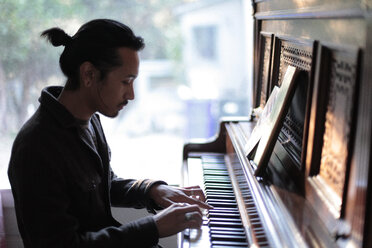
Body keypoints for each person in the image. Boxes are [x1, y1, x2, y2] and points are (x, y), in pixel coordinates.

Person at [8, 19, 212, 248]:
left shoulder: (89, 118)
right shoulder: (36, 147)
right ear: (89, 74)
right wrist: (152, 227)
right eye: (126, 81)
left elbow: (100, 184)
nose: (132, 94)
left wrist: (153, 190)